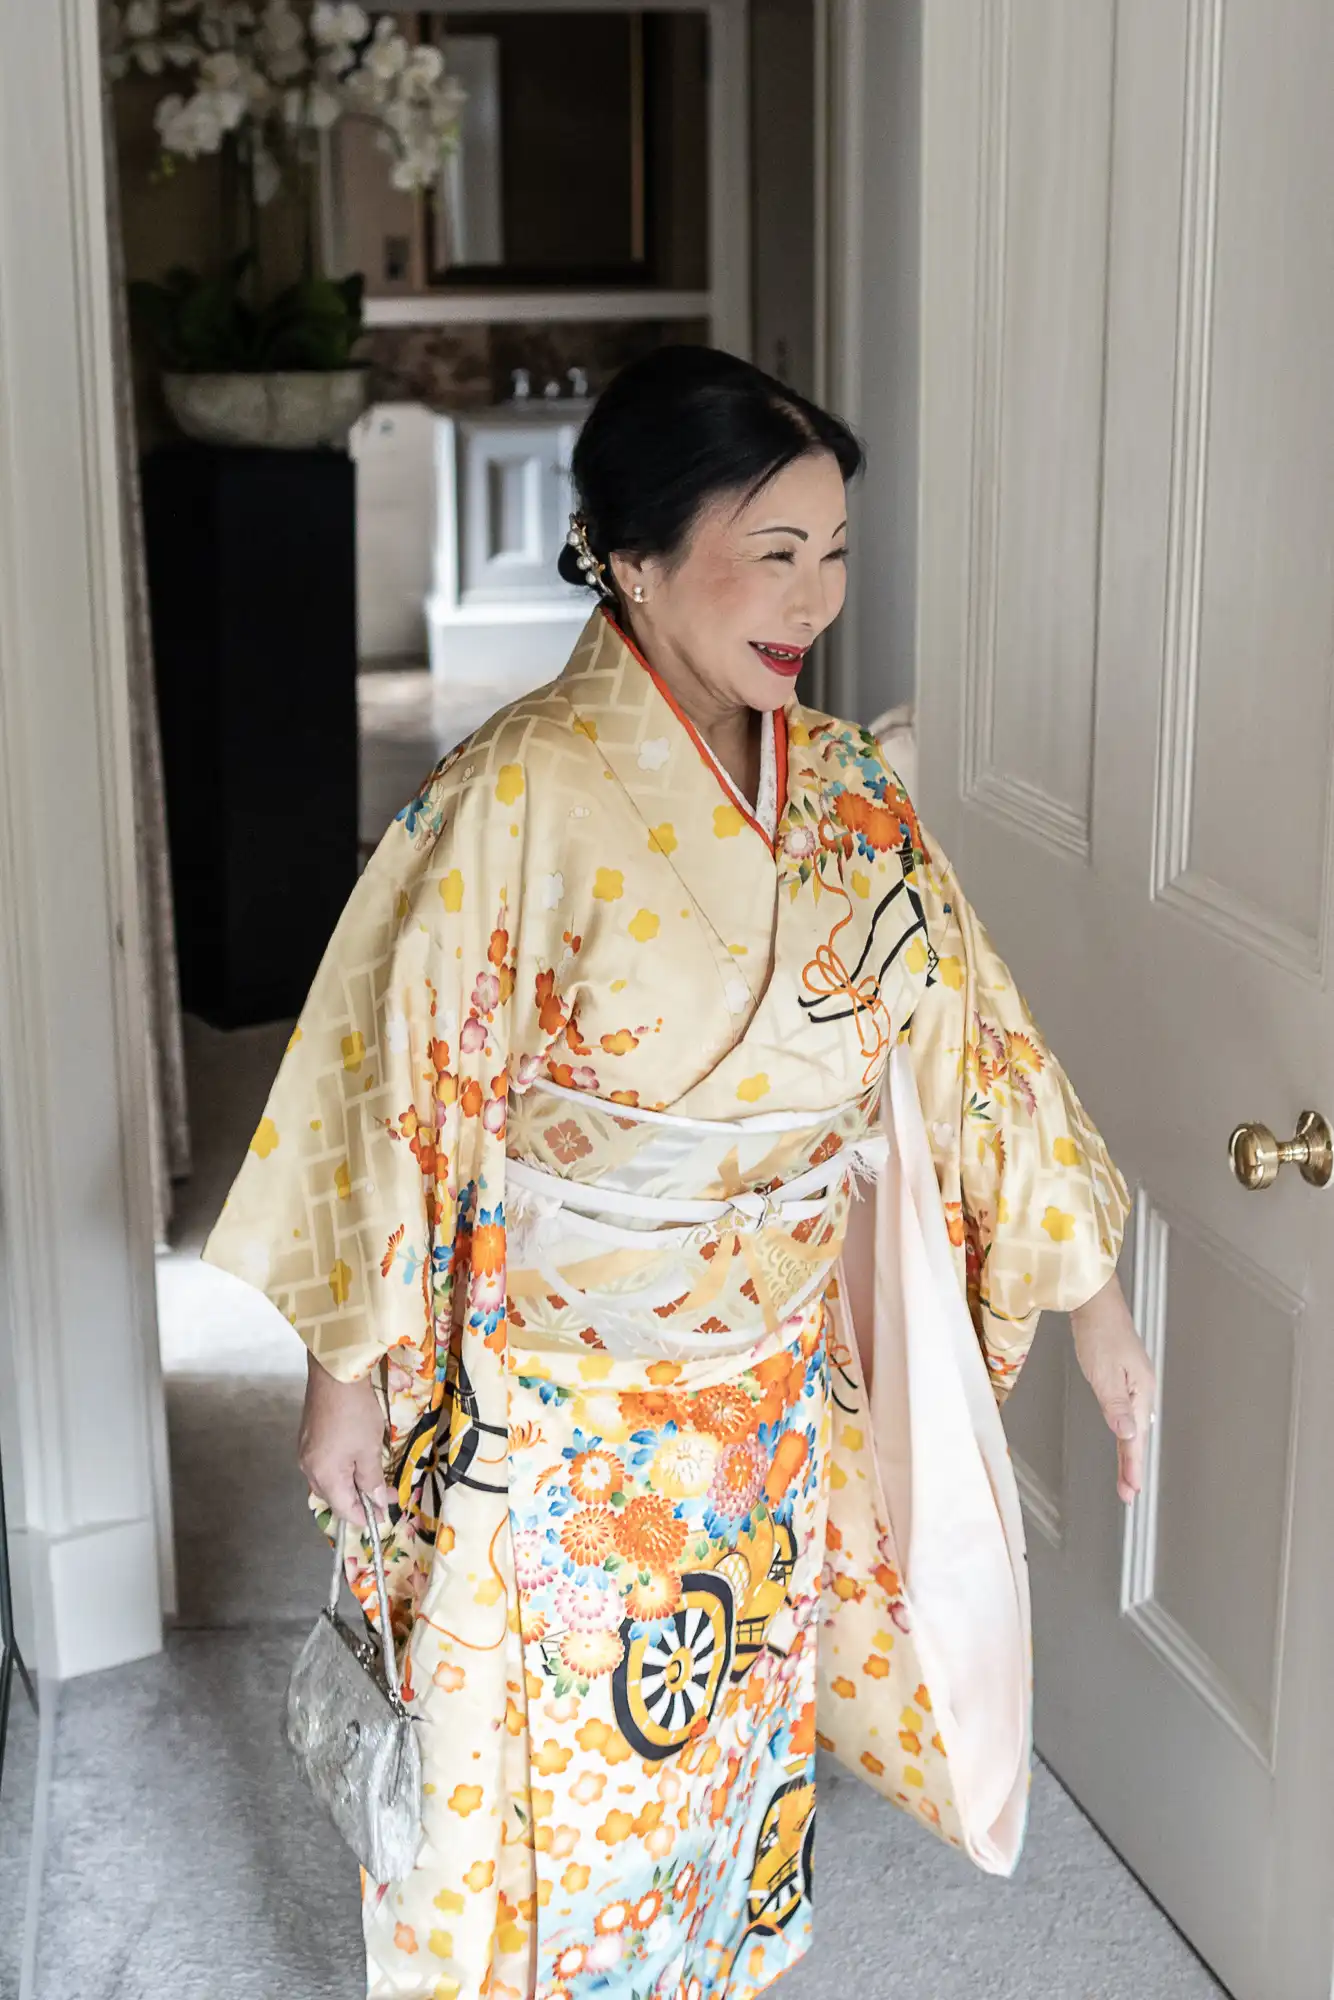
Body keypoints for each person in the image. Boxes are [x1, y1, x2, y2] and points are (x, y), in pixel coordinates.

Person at [204, 345, 1155, 2000]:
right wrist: (345, 1375)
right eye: (770, 551)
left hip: (762, 1398)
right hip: (561, 1406)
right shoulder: (508, 795)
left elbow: (971, 1049)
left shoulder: (853, 795)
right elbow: (393, 1092)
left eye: (835, 549)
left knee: (727, 1747)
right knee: (545, 1786)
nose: (814, 596)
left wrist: (1097, 1305)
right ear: (628, 557)